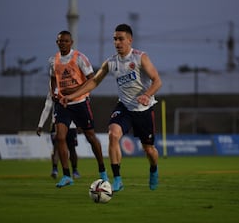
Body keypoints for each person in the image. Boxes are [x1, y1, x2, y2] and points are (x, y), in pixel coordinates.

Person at [60, 24, 162, 191]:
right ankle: (117, 180)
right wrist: (71, 96)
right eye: (115, 39)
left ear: (130, 40)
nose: (117, 42)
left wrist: (147, 95)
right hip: (124, 107)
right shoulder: (111, 62)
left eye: (121, 39)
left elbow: (157, 80)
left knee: (149, 150)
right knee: (113, 134)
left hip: (143, 109)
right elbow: (93, 81)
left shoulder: (140, 57)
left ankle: (153, 169)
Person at [50, 30, 108, 188]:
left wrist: (75, 92)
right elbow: (53, 79)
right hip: (63, 105)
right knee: (60, 138)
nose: (62, 43)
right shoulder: (53, 60)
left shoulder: (80, 58)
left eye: (65, 41)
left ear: (71, 42)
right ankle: (67, 176)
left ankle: (102, 171)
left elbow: (92, 80)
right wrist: (54, 93)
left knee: (90, 136)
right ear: (57, 42)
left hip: (80, 103)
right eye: (60, 41)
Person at [36, 92, 80, 179]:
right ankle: (55, 170)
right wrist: (40, 124)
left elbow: (78, 107)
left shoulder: (74, 89)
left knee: (72, 148)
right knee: (57, 147)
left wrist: (79, 123)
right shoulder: (53, 91)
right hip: (56, 124)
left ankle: (74, 170)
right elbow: (47, 107)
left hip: (72, 125)